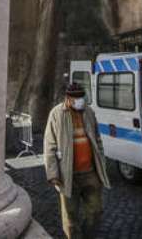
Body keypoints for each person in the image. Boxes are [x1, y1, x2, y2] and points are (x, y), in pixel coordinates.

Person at [44, 82, 110, 239]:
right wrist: (53, 174)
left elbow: (97, 139)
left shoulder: (89, 112)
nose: (81, 100)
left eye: (82, 97)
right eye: (77, 98)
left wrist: (101, 162)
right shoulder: (56, 114)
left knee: (96, 211)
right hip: (68, 176)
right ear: (68, 98)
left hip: (90, 173)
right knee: (71, 217)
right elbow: (49, 145)